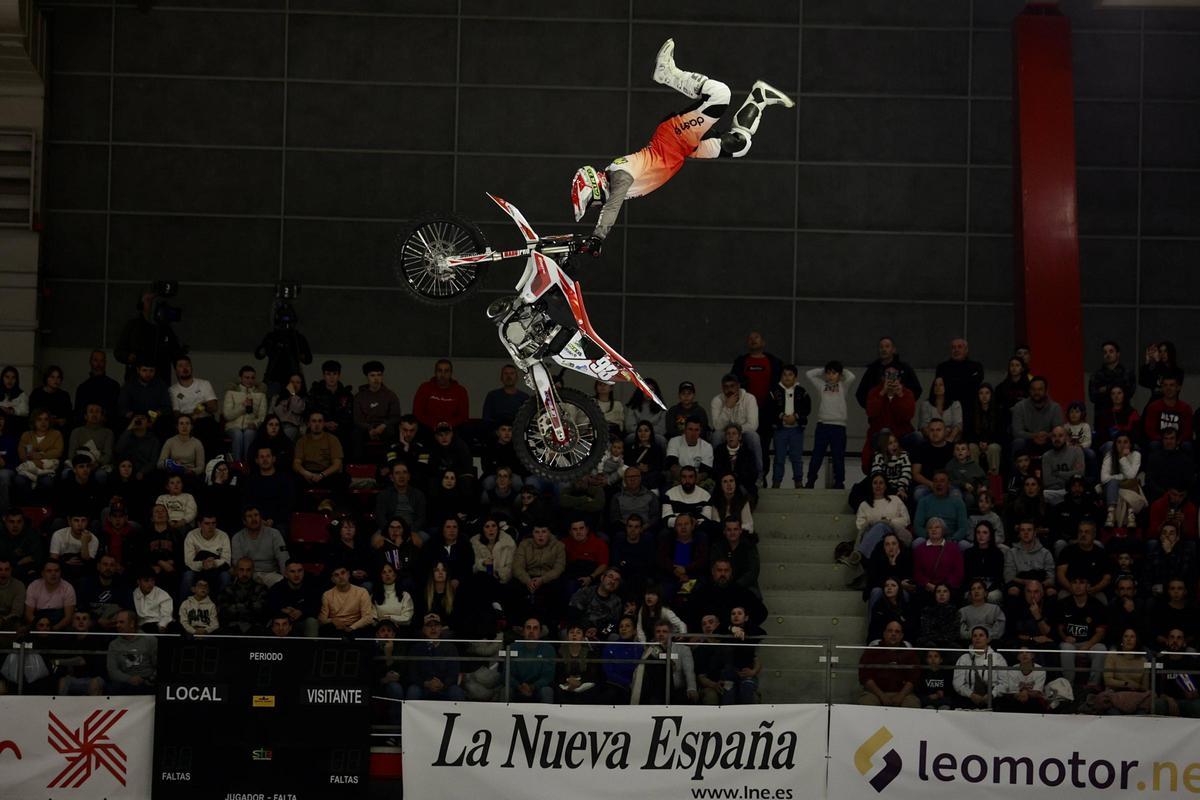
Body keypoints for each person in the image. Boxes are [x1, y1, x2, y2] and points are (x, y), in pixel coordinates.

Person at [573, 39, 794, 250]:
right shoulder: (617, 180)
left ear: (594, 186)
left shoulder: (619, 176)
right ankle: (759, 97)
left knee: (720, 94)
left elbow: (612, 207)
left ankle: (668, 74)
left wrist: (597, 237)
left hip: (674, 137)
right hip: (681, 151)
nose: (597, 204)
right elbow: (611, 204)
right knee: (740, 145)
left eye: (593, 201)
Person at [804, 362, 855, 489]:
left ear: (839, 375)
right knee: (817, 455)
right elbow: (809, 374)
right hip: (823, 425)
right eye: (829, 373)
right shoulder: (821, 385)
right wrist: (823, 370)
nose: (831, 376)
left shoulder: (843, 386)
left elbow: (852, 376)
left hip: (839, 426)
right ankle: (810, 481)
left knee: (838, 456)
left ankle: (839, 483)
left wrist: (841, 370)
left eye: (834, 373)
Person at [1057, 569, 1108, 687]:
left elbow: (1100, 632)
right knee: (1066, 648)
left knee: (1101, 649)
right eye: (1074, 582)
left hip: (1089, 643)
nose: (1078, 586)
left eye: (1082, 582)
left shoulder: (1097, 605)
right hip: (1071, 643)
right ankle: (1068, 686)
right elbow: (1059, 628)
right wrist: (1065, 637)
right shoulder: (1063, 603)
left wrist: (1086, 646)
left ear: (1088, 585)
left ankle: (1092, 686)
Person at [847, 473, 910, 566]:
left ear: (885, 486)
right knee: (876, 528)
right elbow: (860, 525)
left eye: (881, 483)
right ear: (871, 486)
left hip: (894, 532)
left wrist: (888, 522)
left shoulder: (895, 500)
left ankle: (860, 554)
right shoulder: (864, 505)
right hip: (872, 535)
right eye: (875, 483)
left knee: (881, 525)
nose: (878, 486)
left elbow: (906, 520)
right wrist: (876, 524)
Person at [764, 364, 810, 488]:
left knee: (796, 457)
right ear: (781, 376)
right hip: (780, 430)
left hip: (797, 430)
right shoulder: (774, 391)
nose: (787, 377)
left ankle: (798, 482)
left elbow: (807, 408)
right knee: (779, 458)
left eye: (790, 375)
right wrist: (782, 416)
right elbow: (770, 409)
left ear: (795, 377)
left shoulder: (802, 392)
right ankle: (776, 482)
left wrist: (796, 416)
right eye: (784, 375)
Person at [709, 375, 762, 481]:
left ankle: (758, 477)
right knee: (716, 436)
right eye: (726, 387)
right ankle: (715, 476)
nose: (729, 390)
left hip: (744, 433)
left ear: (738, 386)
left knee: (753, 437)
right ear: (722, 388)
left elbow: (753, 425)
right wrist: (727, 407)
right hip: (725, 434)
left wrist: (735, 432)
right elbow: (717, 426)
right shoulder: (717, 400)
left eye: (732, 386)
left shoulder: (749, 399)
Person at [857, 620, 920, 708]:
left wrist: (900, 696)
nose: (893, 634)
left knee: (912, 703)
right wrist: (882, 696)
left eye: (897, 631)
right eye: (890, 631)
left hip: (902, 694)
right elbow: (865, 677)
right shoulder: (871, 651)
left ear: (902, 636)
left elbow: (913, 679)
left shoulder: (910, 654)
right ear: (884, 633)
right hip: (875, 694)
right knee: (866, 702)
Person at [254, 302, 312, 397]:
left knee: (294, 404)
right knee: (265, 401)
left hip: (292, 378)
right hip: (274, 377)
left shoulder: (297, 338)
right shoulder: (272, 336)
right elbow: (259, 354)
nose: (286, 326)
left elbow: (308, 359)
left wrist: (297, 353)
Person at [406, 613, 465, 701]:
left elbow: (454, 673)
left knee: (456, 691)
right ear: (423, 630)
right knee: (413, 691)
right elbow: (412, 673)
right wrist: (425, 684)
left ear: (441, 629)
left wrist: (443, 684)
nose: (433, 628)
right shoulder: (416, 648)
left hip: (444, 688)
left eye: (436, 625)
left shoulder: (450, 648)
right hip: (423, 687)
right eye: (429, 626)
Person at [855, 336, 922, 410]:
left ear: (893, 350)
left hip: (899, 413)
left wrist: (906, 403)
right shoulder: (873, 369)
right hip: (879, 414)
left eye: (887, 346)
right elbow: (861, 393)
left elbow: (916, 390)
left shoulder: (904, 368)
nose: (884, 349)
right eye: (881, 347)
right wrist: (871, 408)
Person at [231, 506, 289, 587]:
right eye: (250, 516)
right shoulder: (237, 537)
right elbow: (237, 562)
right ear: (244, 521)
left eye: (256, 515)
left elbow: (283, 557)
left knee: (284, 585)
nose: (254, 519)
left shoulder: (274, 533)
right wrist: (251, 577)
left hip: (270, 573)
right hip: (248, 574)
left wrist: (287, 576)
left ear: (261, 518)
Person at [354, 360, 402, 457]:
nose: (376, 378)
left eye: (379, 375)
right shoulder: (359, 396)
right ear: (367, 377)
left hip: (384, 427)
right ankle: (358, 465)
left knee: (392, 432)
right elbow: (357, 419)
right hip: (366, 427)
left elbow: (395, 416)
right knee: (355, 433)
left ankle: (389, 463)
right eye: (372, 375)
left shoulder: (390, 395)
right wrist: (370, 428)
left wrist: (383, 425)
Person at [307, 360, 355, 454]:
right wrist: (324, 423)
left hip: (341, 427)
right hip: (320, 426)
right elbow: (310, 411)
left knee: (351, 434)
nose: (331, 377)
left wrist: (337, 424)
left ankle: (344, 466)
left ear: (339, 375)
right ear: (324, 376)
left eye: (334, 374)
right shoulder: (315, 392)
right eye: (328, 374)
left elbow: (349, 414)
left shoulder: (346, 394)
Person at [292, 410, 346, 492]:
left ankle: (329, 503)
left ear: (324, 424)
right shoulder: (301, 441)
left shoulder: (333, 439)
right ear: (309, 424)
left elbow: (337, 464)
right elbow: (296, 463)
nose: (317, 424)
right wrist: (306, 473)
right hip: (308, 474)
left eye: (320, 421)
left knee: (344, 479)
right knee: (292, 480)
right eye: (314, 421)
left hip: (326, 474)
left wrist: (322, 475)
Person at [953, 626, 1006, 709]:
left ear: (988, 639)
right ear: (972, 639)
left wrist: (992, 694)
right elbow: (958, 684)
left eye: (981, 635)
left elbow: (1004, 683)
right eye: (975, 636)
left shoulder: (998, 658)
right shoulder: (964, 658)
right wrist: (971, 695)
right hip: (968, 699)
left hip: (994, 699)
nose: (977, 638)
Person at [222, 365, 267, 463]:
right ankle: (237, 464)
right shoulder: (231, 393)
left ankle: (248, 464)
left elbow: (262, 416)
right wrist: (243, 408)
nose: (250, 380)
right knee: (237, 434)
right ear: (240, 378)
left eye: (252, 378)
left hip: (251, 427)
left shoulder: (261, 395)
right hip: (233, 426)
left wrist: (255, 424)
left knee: (249, 433)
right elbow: (227, 415)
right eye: (247, 377)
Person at [1010, 376, 1064, 457]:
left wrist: (1046, 436)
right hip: (1028, 440)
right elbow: (1017, 432)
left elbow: (1059, 431)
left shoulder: (1055, 407)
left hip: (1048, 440)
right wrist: (1034, 436)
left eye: (1040, 389)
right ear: (1029, 390)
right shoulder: (1020, 407)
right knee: (1018, 443)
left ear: (1046, 391)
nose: (1036, 392)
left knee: (1059, 441)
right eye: (1033, 389)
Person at [106, 609, 157, 694]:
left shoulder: (150, 640)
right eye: (117, 622)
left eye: (121, 622)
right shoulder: (113, 645)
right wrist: (129, 679)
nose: (117, 625)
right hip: (124, 684)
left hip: (148, 682)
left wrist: (150, 680)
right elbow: (112, 671)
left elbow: (159, 665)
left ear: (132, 623)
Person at [266, 560, 321, 637]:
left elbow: (317, 606)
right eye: (292, 571)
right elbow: (268, 607)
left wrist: (301, 611)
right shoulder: (277, 588)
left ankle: (312, 648)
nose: (297, 575)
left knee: (312, 622)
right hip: (283, 623)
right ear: (286, 574)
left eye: (300, 571)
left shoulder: (311, 586)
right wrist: (283, 611)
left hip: (302, 622)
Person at [412, 359, 470, 432]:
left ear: (451, 373)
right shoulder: (425, 388)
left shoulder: (460, 391)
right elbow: (417, 413)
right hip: (428, 429)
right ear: (435, 372)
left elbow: (463, 416)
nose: (443, 375)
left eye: (446, 371)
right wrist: (434, 425)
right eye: (440, 371)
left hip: (453, 431)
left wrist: (447, 425)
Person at [1101, 433, 1146, 528]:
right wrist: (1121, 479)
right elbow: (1104, 478)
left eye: (1125, 442)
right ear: (1115, 444)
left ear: (1130, 444)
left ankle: (1130, 516)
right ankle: (1111, 514)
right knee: (1114, 483)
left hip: (1129, 486)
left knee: (1132, 483)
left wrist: (1122, 458)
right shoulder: (1110, 455)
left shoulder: (1136, 455)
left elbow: (1131, 475)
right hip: (1112, 489)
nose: (1122, 445)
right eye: (1119, 442)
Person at [509, 616, 556, 703]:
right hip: (517, 688)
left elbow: (548, 676)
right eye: (528, 628)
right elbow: (507, 674)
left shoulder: (548, 649)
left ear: (540, 632)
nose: (531, 631)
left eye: (535, 628)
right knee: (505, 690)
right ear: (523, 631)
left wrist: (532, 687)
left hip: (538, 689)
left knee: (547, 691)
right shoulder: (513, 647)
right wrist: (519, 686)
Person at [319, 566, 374, 636]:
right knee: (325, 630)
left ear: (348, 574)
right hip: (335, 627)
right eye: (336, 575)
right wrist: (332, 620)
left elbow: (368, 617)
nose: (341, 577)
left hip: (356, 627)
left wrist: (352, 628)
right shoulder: (327, 595)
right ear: (332, 579)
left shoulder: (362, 592)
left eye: (343, 573)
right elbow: (322, 620)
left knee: (368, 629)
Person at [555, 622, 603, 704]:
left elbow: (593, 674)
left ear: (583, 637)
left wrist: (580, 682)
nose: (574, 635)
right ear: (567, 636)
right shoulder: (559, 653)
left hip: (584, 685)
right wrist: (568, 680)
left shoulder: (590, 654)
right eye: (571, 632)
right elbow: (557, 674)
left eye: (578, 632)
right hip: (565, 684)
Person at [935, 339, 985, 415]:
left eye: (959, 347)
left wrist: (953, 383)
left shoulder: (976, 366)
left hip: (970, 410)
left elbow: (974, 386)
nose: (956, 350)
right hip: (948, 410)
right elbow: (938, 389)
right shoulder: (942, 367)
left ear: (966, 350)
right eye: (953, 347)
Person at [219, 557, 268, 635]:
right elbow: (224, 612)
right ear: (236, 571)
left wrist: (236, 607)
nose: (244, 573)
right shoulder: (227, 589)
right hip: (232, 628)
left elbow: (261, 610)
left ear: (253, 571)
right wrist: (250, 606)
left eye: (248, 570)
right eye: (241, 570)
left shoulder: (261, 588)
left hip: (254, 628)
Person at [66, 403, 114, 480]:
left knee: (100, 475)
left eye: (97, 411)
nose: (94, 414)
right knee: (66, 473)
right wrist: (81, 465)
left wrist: (97, 464)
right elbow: (71, 453)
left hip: (98, 465)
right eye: (91, 411)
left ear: (102, 416)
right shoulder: (77, 431)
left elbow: (108, 454)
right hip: (79, 464)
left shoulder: (108, 433)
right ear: (85, 416)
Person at [74, 350, 121, 429]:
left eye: (101, 360)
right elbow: (79, 413)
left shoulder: (114, 386)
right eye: (96, 360)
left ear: (105, 362)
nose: (99, 364)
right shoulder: (83, 388)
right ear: (90, 362)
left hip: (109, 429)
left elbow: (117, 411)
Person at [1089, 341, 1137, 416]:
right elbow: (1093, 397)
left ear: (1118, 354)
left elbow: (1129, 393)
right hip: (1102, 416)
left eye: (1111, 351)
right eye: (1105, 352)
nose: (1108, 355)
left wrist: (1106, 389)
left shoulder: (1127, 373)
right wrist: (1117, 386)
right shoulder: (1096, 375)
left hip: (1123, 415)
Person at [24, 559, 75, 631]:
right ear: (43, 573)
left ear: (60, 572)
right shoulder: (33, 586)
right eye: (49, 571)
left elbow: (68, 617)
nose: (53, 574)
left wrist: (52, 630)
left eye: (56, 571)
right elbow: (29, 615)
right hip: (38, 624)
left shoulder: (68, 588)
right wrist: (41, 627)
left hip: (59, 626)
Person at [1040, 425, 1085, 506]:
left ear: (1066, 438)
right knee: (1043, 495)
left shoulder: (1077, 451)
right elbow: (1047, 481)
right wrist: (1069, 479)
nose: (1057, 439)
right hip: (1054, 491)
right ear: (1051, 438)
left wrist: (1058, 474)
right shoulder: (1046, 456)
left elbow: (1080, 473)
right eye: (1054, 436)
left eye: (1060, 436)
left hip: (1073, 490)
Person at [480, 364, 529, 431]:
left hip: (517, 435)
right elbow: (486, 419)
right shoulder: (493, 396)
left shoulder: (524, 398)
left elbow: (526, 420)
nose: (509, 376)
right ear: (501, 377)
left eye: (512, 373)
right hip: (496, 436)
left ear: (516, 377)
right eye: (506, 373)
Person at [272, 373, 307, 441]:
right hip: (275, 425)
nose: (294, 385)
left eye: (298, 382)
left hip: (292, 427)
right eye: (292, 382)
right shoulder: (277, 397)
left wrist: (293, 394)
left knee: (289, 431)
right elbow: (271, 412)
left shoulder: (303, 399)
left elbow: (297, 409)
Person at [0, 557, 26, 634]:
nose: (3, 573)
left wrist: (3, 620)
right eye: (0, 569)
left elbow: (17, 612)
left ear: (11, 570)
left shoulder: (19, 586)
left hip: (11, 620)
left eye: (6, 569)